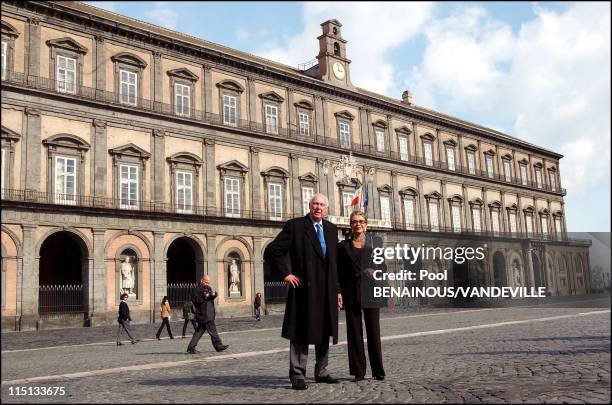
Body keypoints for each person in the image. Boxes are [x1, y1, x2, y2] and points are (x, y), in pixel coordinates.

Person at [264, 193, 342, 390]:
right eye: (315, 204)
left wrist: (338, 291)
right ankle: (298, 373)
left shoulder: (332, 230)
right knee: (300, 331)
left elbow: (334, 264)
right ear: (309, 206)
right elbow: (274, 249)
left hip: (327, 289)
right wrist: (286, 274)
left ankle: (322, 371)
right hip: (304, 289)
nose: (318, 207)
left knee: (324, 330)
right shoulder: (296, 226)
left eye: (322, 205)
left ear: (326, 208)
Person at [337, 211, 385, 382]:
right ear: (350, 225)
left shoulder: (376, 244)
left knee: (374, 332)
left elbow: (383, 267)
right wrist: (338, 291)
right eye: (354, 221)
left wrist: (375, 271)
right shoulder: (343, 246)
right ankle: (358, 371)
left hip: (371, 291)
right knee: (354, 333)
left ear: (366, 224)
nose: (357, 224)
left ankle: (378, 370)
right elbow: (338, 272)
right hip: (351, 292)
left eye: (361, 221)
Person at [186, 275, 229, 354]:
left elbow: (210, 299)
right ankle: (218, 346)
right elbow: (196, 301)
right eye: (206, 282)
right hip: (204, 314)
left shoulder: (208, 288)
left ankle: (191, 348)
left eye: (208, 282)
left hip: (209, 313)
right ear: (202, 280)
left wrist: (213, 295)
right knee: (213, 331)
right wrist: (204, 297)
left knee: (199, 332)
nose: (207, 284)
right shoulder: (196, 290)